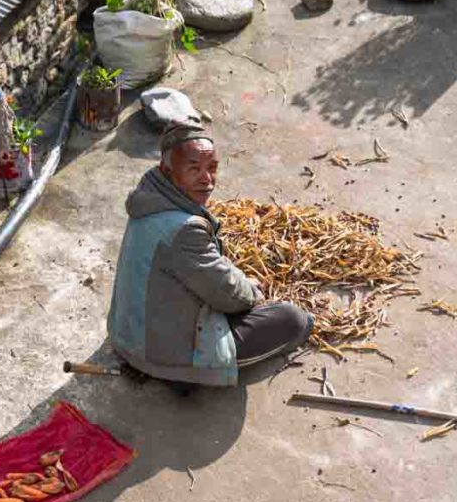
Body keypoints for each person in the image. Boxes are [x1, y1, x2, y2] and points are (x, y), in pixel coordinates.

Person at [107, 123, 313, 389]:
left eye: (212, 168)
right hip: (154, 355)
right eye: (194, 169)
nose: (207, 179)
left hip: (126, 333)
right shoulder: (184, 230)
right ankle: (180, 374)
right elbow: (229, 295)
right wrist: (252, 290)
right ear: (166, 170)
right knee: (293, 319)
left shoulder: (149, 199)